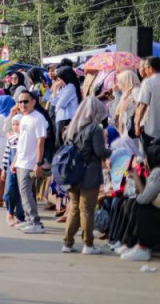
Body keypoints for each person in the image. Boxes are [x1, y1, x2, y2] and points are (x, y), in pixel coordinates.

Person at [61, 97, 112, 254]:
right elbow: (99, 152)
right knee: (87, 209)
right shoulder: (94, 128)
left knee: (75, 207)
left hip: (73, 172)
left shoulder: (72, 127)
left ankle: (67, 243)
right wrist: (112, 150)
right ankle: (88, 244)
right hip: (90, 172)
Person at [12, 90, 48, 234]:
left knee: (26, 193)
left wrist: (38, 163)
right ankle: (28, 220)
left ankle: (35, 222)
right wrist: (15, 161)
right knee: (23, 193)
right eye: (20, 102)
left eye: (26, 101)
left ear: (33, 101)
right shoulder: (23, 118)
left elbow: (41, 142)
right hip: (21, 161)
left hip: (30, 162)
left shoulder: (38, 118)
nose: (22, 104)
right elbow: (22, 141)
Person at [118, 145, 160, 261]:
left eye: (147, 157)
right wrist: (136, 177)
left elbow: (144, 199)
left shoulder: (157, 173)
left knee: (139, 207)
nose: (144, 160)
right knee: (133, 203)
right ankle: (130, 243)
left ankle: (142, 247)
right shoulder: (155, 172)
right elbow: (145, 195)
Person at [135, 56, 160, 153]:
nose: (144, 70)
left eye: (145, 68)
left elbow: (142, 106)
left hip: (151, 130)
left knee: (150, 160)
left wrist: (137, 124)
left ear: (150, 69)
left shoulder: (148, 82)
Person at [114, 70, 141, 139]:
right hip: (125, 126)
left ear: (126, 80)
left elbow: (141, 108)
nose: (119, 83)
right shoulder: (126, 92)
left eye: (120, 81)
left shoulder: (136, 91)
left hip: (132, 127)